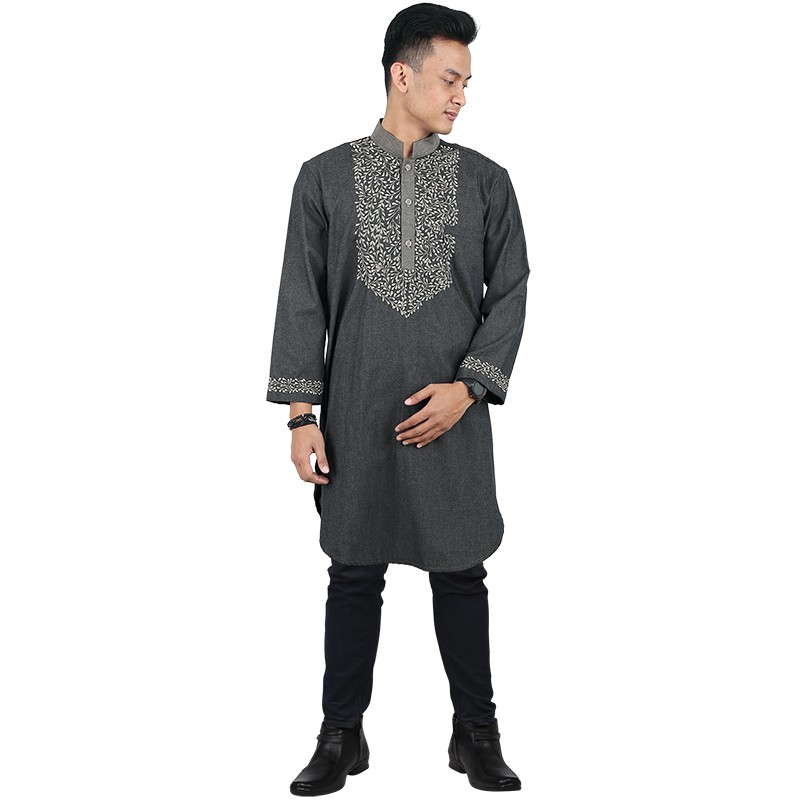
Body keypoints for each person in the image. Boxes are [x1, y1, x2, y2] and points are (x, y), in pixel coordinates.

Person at [265, 3, 530, 794]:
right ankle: (340, 736)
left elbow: (512, 290)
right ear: (401, 74)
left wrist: (469, 388)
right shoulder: (323, 177)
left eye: (467, 83)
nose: (461, 96)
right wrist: (302, 416)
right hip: (355, 413)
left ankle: (475, 734)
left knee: (461, 573)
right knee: (353, 575)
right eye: (449, 79)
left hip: (452, 419)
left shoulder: (486, 182)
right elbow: (301, 299)